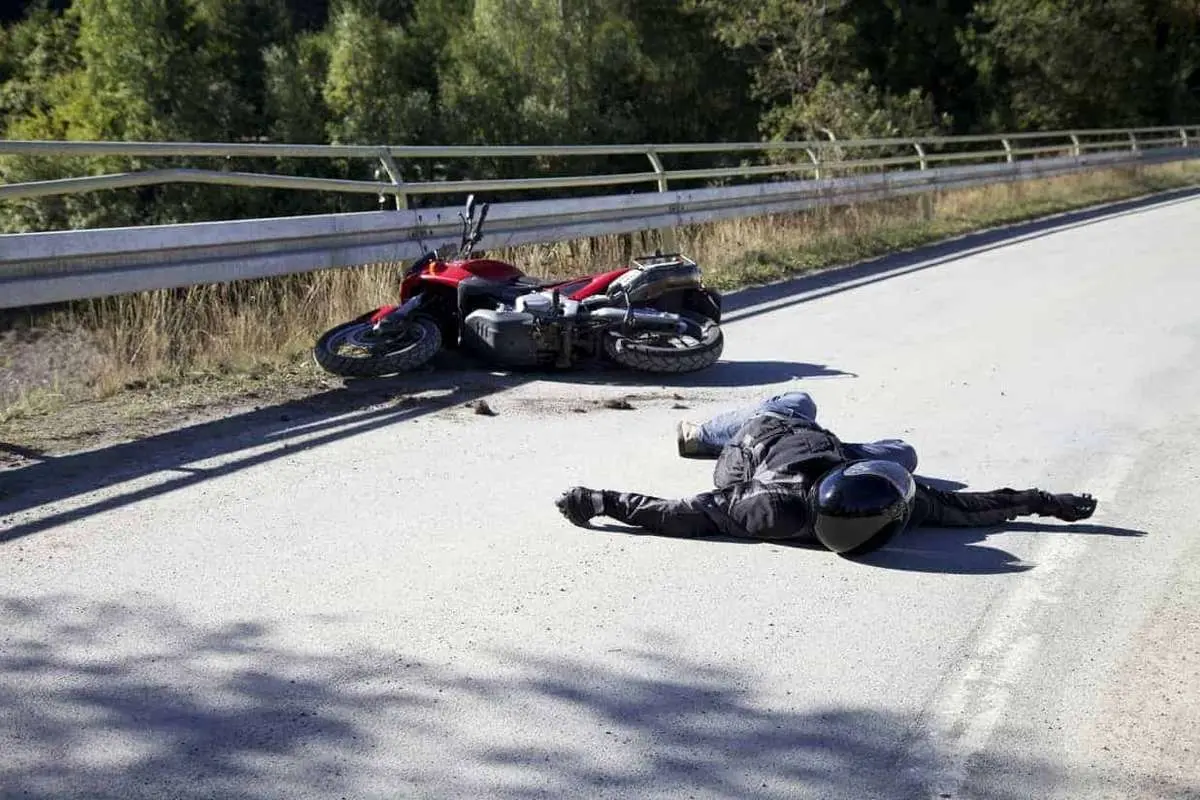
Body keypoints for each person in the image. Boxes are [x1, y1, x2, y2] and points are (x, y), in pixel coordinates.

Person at [554, 390, 1097, 556]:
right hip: (772, 434)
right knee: (892, 448)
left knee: (808, 405)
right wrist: (1043, 501)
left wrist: (601, 500)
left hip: (772, 449)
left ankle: (710, 435)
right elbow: (969, 508)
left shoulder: (766, 508)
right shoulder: (882, 509)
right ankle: (708, 430)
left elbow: (679, 514)